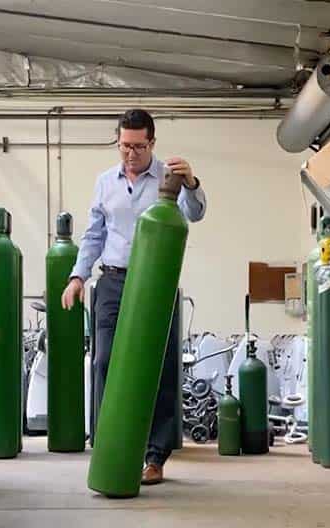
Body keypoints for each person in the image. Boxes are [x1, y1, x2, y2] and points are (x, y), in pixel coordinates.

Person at [61, 109, 207, 486]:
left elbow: (195, 213)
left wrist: (191, 182)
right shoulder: (105, 182)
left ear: (152, 143)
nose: (130, 154)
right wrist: (78, 276)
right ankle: (111, 443)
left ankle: (155, 456)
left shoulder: (168, 175)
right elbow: (94, 234)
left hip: (155, 284)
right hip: (111, 282)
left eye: (138, 147)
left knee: (160, 368)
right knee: (105, 360)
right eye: (124, 146)